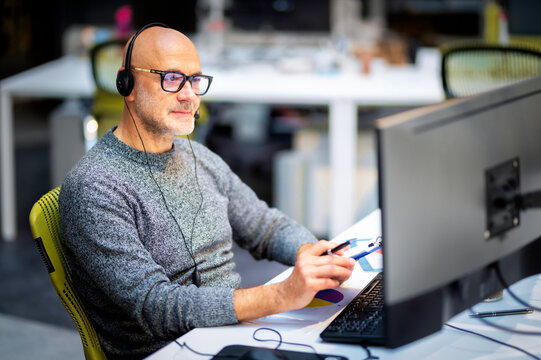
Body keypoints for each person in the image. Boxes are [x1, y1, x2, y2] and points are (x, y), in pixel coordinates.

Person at [59, 24, 355, 360]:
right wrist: (282, 295)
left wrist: (316, 256)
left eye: (195, 80)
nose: (189, 95)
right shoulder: (94, 188)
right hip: (172, 351)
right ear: (126, 83)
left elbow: (265, 226)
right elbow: (159, 306)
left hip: (235, 335)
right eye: (171, 78)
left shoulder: (198, 157)